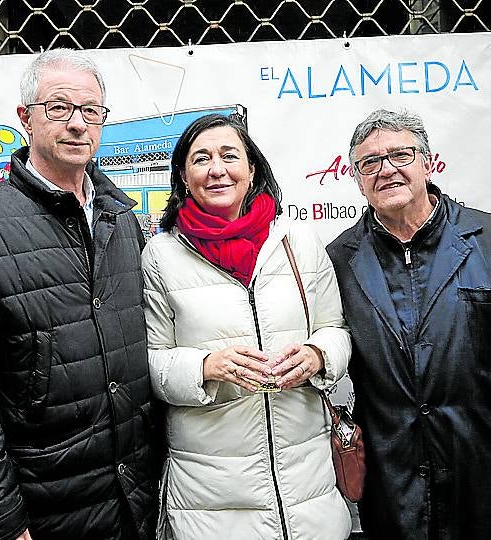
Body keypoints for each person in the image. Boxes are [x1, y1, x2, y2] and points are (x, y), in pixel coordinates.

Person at [0, 49, 158, 540]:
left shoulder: (121, 219)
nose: (77, 124)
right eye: (59, 107)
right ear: (25, 118)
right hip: (44, 510)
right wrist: (0, 523)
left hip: (136, 500)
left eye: (91, 111)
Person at [326, 108, 491, 540]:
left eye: (399, 155)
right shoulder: (339, 262)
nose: (386, 169)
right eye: (369, 162)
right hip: (395, 482)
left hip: (487, 467)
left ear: (427, 163)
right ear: (356, 178)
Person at [142, 113, 353, 539]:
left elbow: (336, 329)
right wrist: (205, 366)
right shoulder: (160, 255)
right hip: (210, 498)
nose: (216, 169)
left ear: (251, 169)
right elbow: (150, 362)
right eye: (201, 159)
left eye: (229, 155)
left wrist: (317, 355)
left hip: (307, 491)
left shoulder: (299, 242)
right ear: (183, 176)